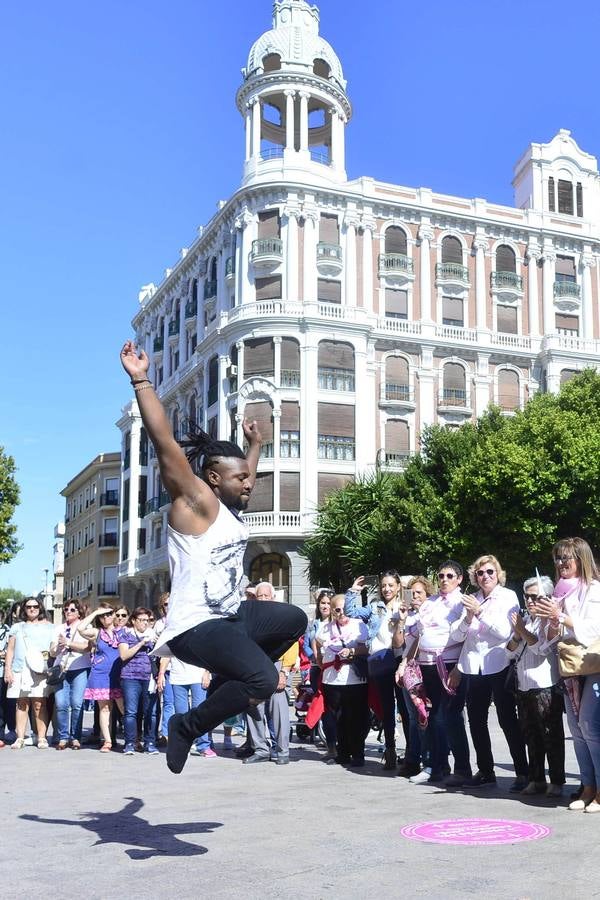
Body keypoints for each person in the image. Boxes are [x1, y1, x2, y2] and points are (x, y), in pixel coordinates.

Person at [120, 340, 307, 774]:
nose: (249, 483)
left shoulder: (226, 509)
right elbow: (164, 442)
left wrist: (254, 445)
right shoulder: (195, 502)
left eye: (249, 476)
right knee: (263, 678)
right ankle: (187, 724)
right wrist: (141, 379)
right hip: (195, 624)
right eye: (240, 477)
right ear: (210, 478)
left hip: (229, 615)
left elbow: (242, 473)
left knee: (294, 619)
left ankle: (229, 676)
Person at [451, 554, 528, 790]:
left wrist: (481, 614)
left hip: (499, 663)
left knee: (507, 719)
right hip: (475, 667)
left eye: (490, 572)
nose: (485, 576)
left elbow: (506, 632)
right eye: (480, 573)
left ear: (498, 574)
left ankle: (522, 772)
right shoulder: (470, 600)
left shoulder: (508, 597)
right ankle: (485, 771)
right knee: (476, 721)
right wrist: (469, 616)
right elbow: (456, 635)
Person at [536, 537, 600, 812]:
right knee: (575, 729)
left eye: (567, 557)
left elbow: (592, 629)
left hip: (593, 664)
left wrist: (560, 617)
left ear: (581, 560)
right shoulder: (559, 593)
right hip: (570, 666)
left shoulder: (593, 589)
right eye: (558, 558)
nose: (561, 563)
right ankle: (587, 787)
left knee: (588, 725)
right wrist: (550, 620)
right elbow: (547, 640)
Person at [397, 562, 471, 787]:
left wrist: (459, 668)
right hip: (426, 664)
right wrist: (405, 662)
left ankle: (462, 768)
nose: (445, 579)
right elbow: (419, 634)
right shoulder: (430, 602)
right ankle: (435, 766)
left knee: (451, 717)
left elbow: (465, 636)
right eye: (441, 575)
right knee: (431, 717)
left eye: (450, 576)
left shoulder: (461, 602)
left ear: (459, 579)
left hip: (449, 664)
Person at [345, 571, 410, 771]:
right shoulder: (375, 607)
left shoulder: (405, 607)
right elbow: (352, 612)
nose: (387, 589)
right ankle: (390, 750)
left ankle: (412, 753)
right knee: (387, 708)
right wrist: (353, 592)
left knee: (406, 709)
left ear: (398, 586)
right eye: (383, 585)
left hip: (400, 657)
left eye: (391, 585)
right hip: (380, 660)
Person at [507, 574, 565, 797]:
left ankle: (557, 780)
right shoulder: (527, 620)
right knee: (530, 734)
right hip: (523, 685)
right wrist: (517, 634)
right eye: (527, 597)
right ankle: (536, 778)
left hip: (545, 685)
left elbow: (541, 648)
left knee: (551, 735)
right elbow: (509, 652)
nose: (530, 602)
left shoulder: (549, 622)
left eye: (535, 597)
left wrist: (521, 631)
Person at [243, 581, 297, 765]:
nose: (264, 599)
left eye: (267, 596)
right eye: (260, 596)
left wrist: (284, 671)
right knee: (253, 707)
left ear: (273, 598)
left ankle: (282, 751)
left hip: (277, 665)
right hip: (254, 667)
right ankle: (260, 749)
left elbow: (292, 644)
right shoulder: (249, 618)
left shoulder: (282, 616)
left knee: (279, 709)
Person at [317, 595, 370, 766]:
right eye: (337, 610)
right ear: (332, 611)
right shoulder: (324, 628)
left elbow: (366, 648)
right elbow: (317, 647)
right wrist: (323, 664)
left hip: (355, 680)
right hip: (332, 680)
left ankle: (358, 754)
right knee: (337, 718)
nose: (341, 613)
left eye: (344, 609)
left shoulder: (359, 625)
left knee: (356, 718)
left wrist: (353, 651)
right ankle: (343, 753)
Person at [4, 598, 55, 749]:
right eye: (28, 607)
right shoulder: (17, 627)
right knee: (21, 703)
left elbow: (54, 649)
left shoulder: (50, 627)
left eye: (35, 606)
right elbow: (11, 649)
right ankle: (20, 738)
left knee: (40, 704)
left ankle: (42, 738)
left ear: (40, 608)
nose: (32, 609)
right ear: (24, 609)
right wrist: (8, 669)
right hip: (20, 669)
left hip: (40, 669)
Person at [78, 605, 124, 752]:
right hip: (100, 674)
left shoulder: (123, 631)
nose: (106, 617)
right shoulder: (97, 632)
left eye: (109, 614)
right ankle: (107, 741)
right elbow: (80, 628)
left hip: (119, 674)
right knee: (104, 708)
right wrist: (96, 612)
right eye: (103, 616)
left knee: (124, 708)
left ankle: (133, 738)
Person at [49, 600, 91, 749]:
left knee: (77, 704)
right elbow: (52, 651)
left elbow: (87, 648)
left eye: (72, 609)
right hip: (61, 669)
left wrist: (69, 643)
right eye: (66, 609)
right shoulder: (59, 628)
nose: (68, 611)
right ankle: (63, 737)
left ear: (79, 612)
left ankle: (75, 737)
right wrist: (58, 648)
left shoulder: (85, 627)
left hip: (80, 668)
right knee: (61, 703)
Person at [118, 607, 159, 755]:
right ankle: (130, 743)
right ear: (134, 621)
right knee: (131, 712)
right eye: (141, 620)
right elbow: (124, 655)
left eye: (147, 620)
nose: (145, 623)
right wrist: (141, 643)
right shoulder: (125, 634)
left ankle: (150, 743)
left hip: (149, 678)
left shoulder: (153, 636)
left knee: (151, 712)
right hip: (130, 678)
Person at [154, 593, 174, 747]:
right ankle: (166, 734)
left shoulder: (181, 620)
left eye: (171, 603)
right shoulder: (159, 625)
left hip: (184, 668)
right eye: (166, 604)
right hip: (166, 668)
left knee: (184, 704)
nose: (168, 606)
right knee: (168, 702)